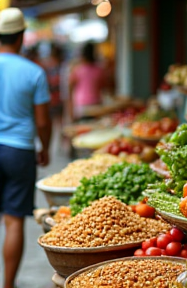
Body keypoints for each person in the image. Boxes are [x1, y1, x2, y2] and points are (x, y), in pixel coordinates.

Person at [0, 7, 52, 288]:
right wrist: (44, 147)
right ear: (21, 36)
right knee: (14, 221)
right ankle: (8, 285)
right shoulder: (34, 73)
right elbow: (43, 121)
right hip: (19, 151)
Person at [68, 41, 106, 121]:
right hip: (96, 105)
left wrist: (71, 110)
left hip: (81, 106)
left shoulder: (77, 70)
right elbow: (104, 86)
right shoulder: (99, 70)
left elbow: (70, 90)